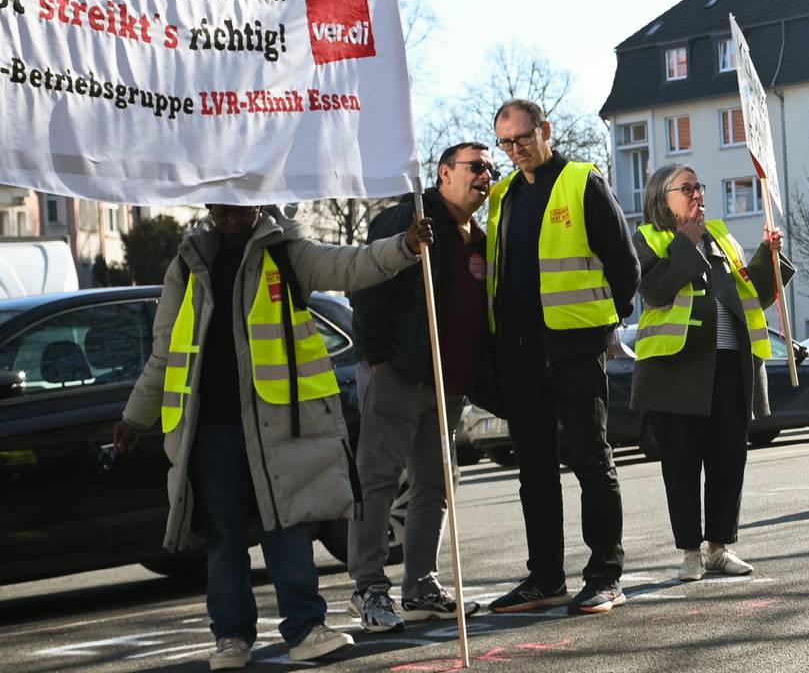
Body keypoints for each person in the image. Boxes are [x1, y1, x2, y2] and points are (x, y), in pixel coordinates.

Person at [117, 205, 429, 670]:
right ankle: (231, 639)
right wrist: (134, 416)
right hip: (210, 432)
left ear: (258, 202)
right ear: (209, 208)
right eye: (221, 204)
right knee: (224, 540)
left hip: (277, 427)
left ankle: (306, 630)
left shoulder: (286, 252)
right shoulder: (185, 264)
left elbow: (349, 264)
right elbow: (167, 352)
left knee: (287, 529)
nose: (230, 213)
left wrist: (403, 248)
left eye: (240, 202)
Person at [482, 98, 644, 617]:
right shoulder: (503, 195)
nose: (515, 150)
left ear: (544, 130)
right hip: (519, 353)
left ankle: (604, 575)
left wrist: (606, 323)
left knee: (589, 459)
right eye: (505, 143)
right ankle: (544, 577)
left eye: (523, 138)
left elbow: (625, 264)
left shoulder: (581, 181)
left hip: (574, 347)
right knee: (533, 468)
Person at [347, 143, 493, 634]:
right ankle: (368, 589)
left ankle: (421, 587)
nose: (486, 176)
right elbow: (367, 285)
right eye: (476, 167)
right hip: (399, 378)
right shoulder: (409, 220)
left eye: (489, 169)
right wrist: (380, 361)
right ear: (445, 173)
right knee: (379, 484)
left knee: (435, 488)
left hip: (447, 386)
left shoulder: (479, 238)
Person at [631, 164, 789, 580]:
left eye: (698, 186)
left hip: (730, 366)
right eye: (687, 188)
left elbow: (752, 292)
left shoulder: (719, 235)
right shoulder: (648, 239)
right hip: (677, 373)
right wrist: (685, 244)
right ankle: (690, 552)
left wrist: (768, 257)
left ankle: (719, 547)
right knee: (682, 466)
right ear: (661, 198)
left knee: (727, 461)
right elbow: (656, 289)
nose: (697, 194)